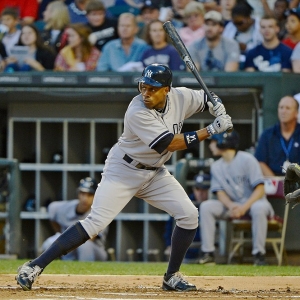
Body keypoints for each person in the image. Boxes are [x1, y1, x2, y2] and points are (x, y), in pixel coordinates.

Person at [15, 63, 233, 292]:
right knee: (95, 223)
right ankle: (34, 266)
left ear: (167, 89)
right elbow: (169, 143)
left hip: (155, 173)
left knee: (189, 215)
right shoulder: (137, 110)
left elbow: (207, 97)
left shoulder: (181, 96)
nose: (146, 93)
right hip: (124, 170)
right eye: (143, 86)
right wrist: (210, 129)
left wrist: (215, 104)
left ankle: (172, 276)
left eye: (152, 88)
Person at [199, 131, 274, 266]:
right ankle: (208, 253)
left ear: (223, 142)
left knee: (259, 208)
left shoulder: (247, 159)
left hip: (254, 203)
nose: (211, 146)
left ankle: (259, 255)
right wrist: (232, 206)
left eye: (213, 142)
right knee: (206, 207)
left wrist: (244, 207)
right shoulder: (216, 167)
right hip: (233, 206)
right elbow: (219, 192)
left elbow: (260, 189)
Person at [41, 177, 108, 262]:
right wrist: (59, 232)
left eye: (89, 195)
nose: (85, 198)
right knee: (50, 242)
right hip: (70, 245)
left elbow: (89, 238)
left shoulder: (99, 212)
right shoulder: (66, 207)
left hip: (94, 250)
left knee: (84, 245)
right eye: (82, 193)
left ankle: (86, 271)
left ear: (95, 196)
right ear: (78, 193)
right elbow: (52, 209)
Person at [164, 173, 211, 263]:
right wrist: (169, 245)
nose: (200, 193)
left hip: (205, 251)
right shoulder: (185, 202)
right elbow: (170, 225)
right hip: (186, 252)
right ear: (193, 189)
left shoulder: (213, 206)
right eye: (197, 189)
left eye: (204, 189)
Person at [254, 95, 300, 176]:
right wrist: (276, 183)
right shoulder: (267, 134)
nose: (283, 111)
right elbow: (260, 161)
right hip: (272, 183)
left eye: (288, 108)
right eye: (281, 107)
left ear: (296, 113)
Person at [222, 1, 263, 67]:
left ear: (249, 18)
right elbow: (224, 46)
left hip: (257, 61)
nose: (237, 26)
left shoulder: (261, 25)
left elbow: (264, 47)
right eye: (235, 23)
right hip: (235, 61)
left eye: (240, 23)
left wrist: (246, 47)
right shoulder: (230, 26)